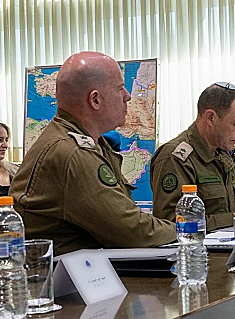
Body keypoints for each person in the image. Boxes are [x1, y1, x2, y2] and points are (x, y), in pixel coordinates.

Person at [10, 52, 176, 255]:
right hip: (63, 273)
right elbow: (134, 232)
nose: (127, 96)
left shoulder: (92, 143)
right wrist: (184, 229)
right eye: (119, 89)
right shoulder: (71, 153)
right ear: (95, 100)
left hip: (88, 267)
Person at [150, 83, 235, 230]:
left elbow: (227, 211)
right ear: (211, 117)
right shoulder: (175, 158)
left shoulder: (221, 154)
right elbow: (171, 224)